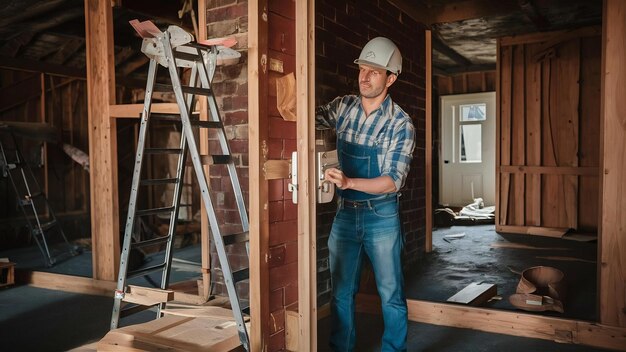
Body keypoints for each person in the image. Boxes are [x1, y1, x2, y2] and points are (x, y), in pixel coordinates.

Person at [316, 37, 416, 352]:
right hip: (346, 213)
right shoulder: (342, 107)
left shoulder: (400, 124)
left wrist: (349, 182)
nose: (365, 76)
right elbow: (305, 119)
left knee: (391, 293)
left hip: (382, 215)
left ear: (391, 78)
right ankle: (341, 348)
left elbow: (392, 181)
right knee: (341, 292)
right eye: (363, 69)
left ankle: (392, 349)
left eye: (375, 71)